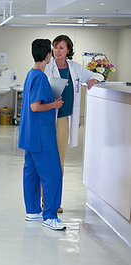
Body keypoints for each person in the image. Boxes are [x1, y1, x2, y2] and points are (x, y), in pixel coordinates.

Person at [44, 35, 103, 213]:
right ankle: (44, 199)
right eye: (55, 47)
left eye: (61, 47)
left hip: (63, 120)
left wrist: (95, 79)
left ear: (68, 50)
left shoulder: (75, 68)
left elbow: (96, 74)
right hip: (47, 118)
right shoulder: (47, 67)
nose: (57, 51)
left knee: (59, 161)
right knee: (46, 159)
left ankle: (54, 202)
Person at [17, 39, 66, 231]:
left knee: (32, 173)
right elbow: (35, 106)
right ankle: (50, 216)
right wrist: (54, 104)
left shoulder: (31, 74)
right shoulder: (40, 77)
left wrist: (51, 100)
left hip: (30, 135)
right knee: (53, 174)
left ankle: (33, 211)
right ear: (48, 55)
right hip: (41, 137)